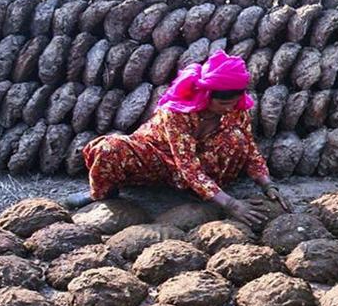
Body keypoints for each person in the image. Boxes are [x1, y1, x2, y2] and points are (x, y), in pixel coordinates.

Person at [70, 52, 289, 230]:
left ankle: (205, 192)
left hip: (198, 165)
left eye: (234, 102)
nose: (230, 108)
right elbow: (186, 164)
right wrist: (232, 204)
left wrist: (268, 185)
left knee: (237, 138)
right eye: (224, 104)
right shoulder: (177, 114)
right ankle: (101, 193)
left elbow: (250, 150)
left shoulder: (235, 111)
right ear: (206, 96)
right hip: (158, 160)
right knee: (109, 147)